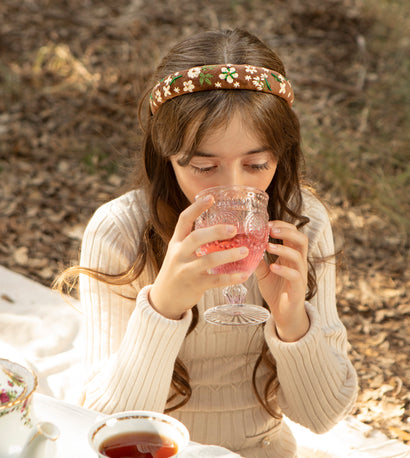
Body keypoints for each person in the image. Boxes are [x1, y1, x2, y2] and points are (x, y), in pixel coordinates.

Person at [54, 28, 358, 457]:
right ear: (167, 155)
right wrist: (163, 306)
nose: (232, 189)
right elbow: (107, 427)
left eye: (256, 164)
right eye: (203, 166)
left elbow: (323, 416)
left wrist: (293, 322)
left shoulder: (300, 225)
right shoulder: (120, 230)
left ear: (280, 156)